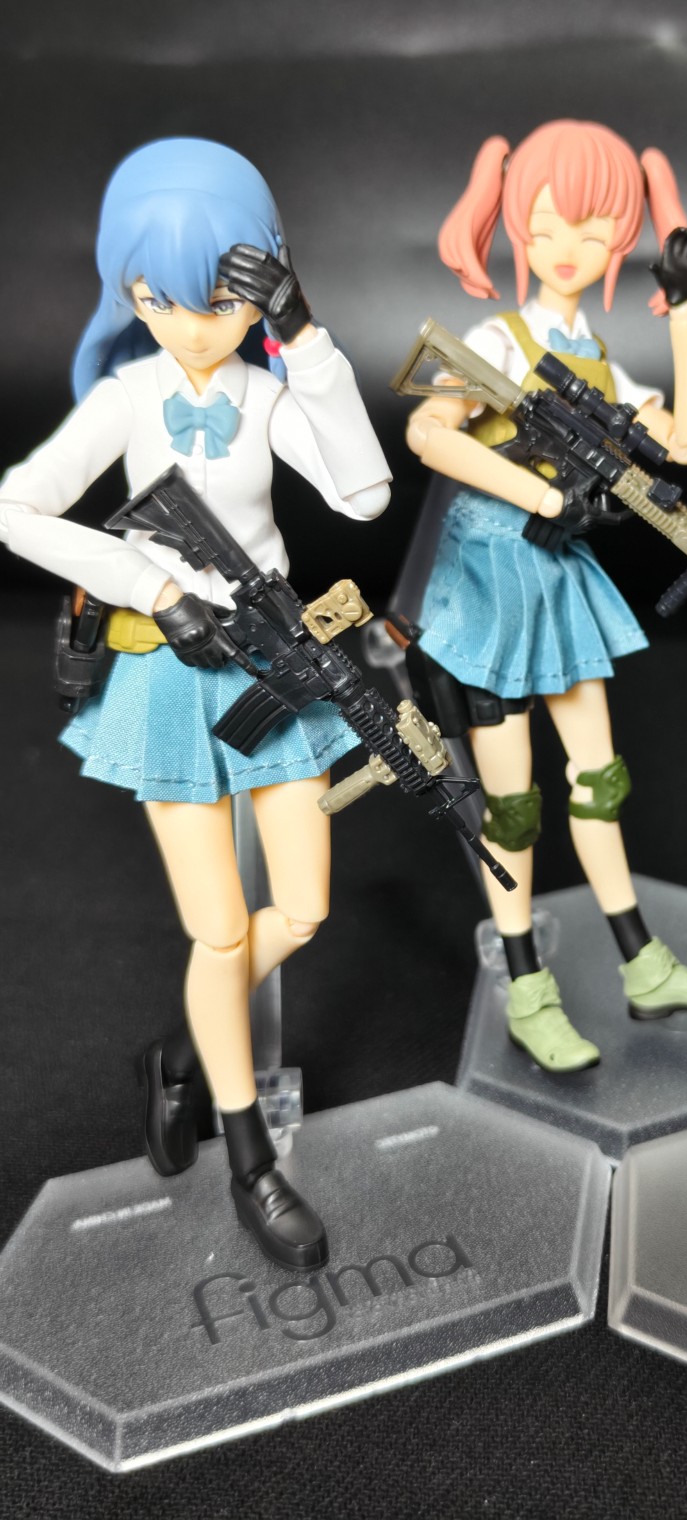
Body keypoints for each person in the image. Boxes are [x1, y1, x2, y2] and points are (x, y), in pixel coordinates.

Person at [0, 138, 392, 1269]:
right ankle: (248, 1153)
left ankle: (181, 1046)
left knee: (300, 912)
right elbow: (18, 507)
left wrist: (306, 341)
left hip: (275, 666)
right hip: (172, 679)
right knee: (220, 930)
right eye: (160, 299)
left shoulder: (269, 392)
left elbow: (365, 495)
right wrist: (155, 588)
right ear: (130, 293)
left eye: (221, 300)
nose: (192, 324)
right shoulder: (128, 397)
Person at [406, 119, 687, 1073]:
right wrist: (542, 493)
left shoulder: (595, 353)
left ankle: (644, 966)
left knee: (599, 780)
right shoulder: (490, 339)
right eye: (548, 224)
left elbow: (686, 442)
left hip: (557, 581)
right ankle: (527, 991)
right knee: (511, 806)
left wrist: (685, 310)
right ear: (517, 222)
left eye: (595, 233)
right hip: (488, 587)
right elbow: (430, 433)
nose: (567, 247)